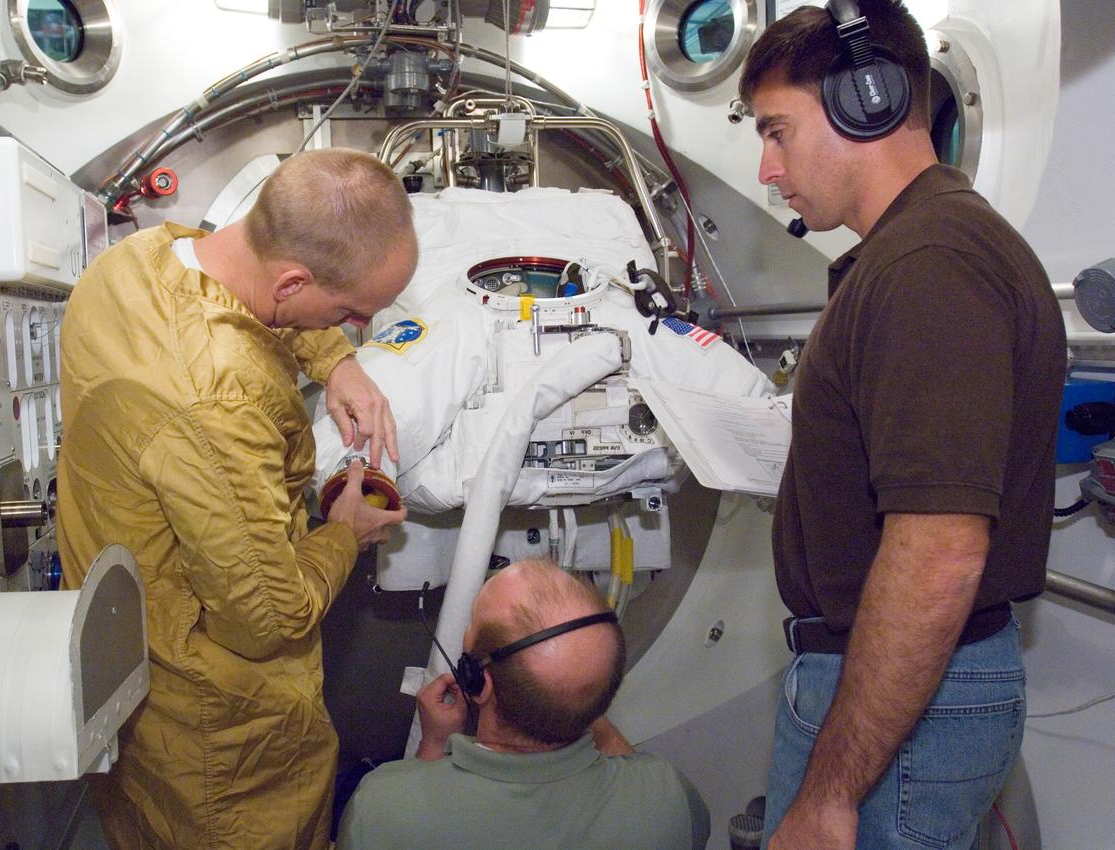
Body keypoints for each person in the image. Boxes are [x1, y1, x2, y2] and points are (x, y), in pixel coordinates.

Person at [736, 2, 1066, 848]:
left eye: (777, 131)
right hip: (899, 691)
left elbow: (939, 552)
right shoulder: (917, 251)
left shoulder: (931, 266)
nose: (767, 169)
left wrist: (830, 796)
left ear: (867, 100)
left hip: (901, 702)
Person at [56, 148, 417, 850]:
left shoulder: (134, 261)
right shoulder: (220, 402)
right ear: (293, 283)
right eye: (348, 313)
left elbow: (242, 289)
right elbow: (265, 619)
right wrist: (344, 534)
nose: (350, 326)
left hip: (129, 670)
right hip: (219, 750)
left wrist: (336, 361)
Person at [338, 560, 710, 850]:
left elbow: (415, 816)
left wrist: (433, 745)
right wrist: (578, 694)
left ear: (476, 681)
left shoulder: (382, 808)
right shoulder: (670, 799)